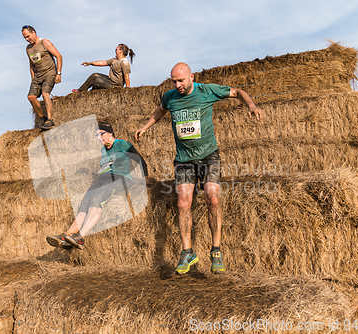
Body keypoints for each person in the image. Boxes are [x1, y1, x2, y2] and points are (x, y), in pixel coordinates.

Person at [135, 62, 265, 275]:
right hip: (183, 160)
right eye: (174, 81)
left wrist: (250, 105)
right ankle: (187, 252)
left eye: (181, 80)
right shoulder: (170, 97)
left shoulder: (207, 91)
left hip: (208, 156)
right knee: (182, 203)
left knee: (212, 198)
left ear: (191, 77)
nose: (177, 85)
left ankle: (216, 250)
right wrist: (145, 126)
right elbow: (160, 110)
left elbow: (238, 91)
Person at [47, 122, 149, 250]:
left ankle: (80, 237)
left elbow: (139, 159)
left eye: (101, 134)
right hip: (104, 179)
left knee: (96, 199)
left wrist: (146, 177)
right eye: (97, 135)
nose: (99, 138)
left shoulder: (122, 144)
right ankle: (67, 236)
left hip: (120, 179)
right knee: (84, 203)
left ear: (110, 133)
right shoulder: (103, 150)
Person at [22, 25, 63, 130]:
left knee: (45, 94)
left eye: (28, 36)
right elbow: (31, 65)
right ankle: (42, 117)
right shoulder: (28, 49)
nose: (27, 39)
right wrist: (33, 79)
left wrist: (58, 73)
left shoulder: (45, 42)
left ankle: (50, 120)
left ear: (33, 32)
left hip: (50, 72)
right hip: (38, 75)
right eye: (25, 38)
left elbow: (59, 56)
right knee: (31, 97)